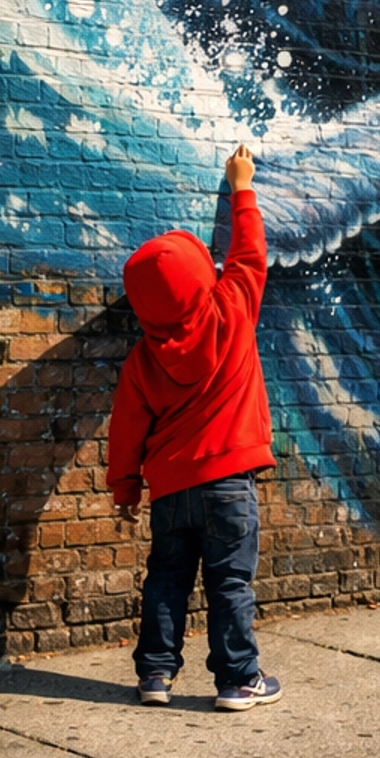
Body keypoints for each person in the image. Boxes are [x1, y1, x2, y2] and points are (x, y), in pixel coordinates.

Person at [108, 143, 281, 710]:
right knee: (230, 584)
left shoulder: (142, 358)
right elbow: (249, 255)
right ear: (201, 279)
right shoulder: (232, 309)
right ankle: (238, 680)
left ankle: (155, 676)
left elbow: (126, 426)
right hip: (230, 485)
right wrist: (241, 186)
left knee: (167, 580)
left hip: (170, 490)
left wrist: (125, 486)